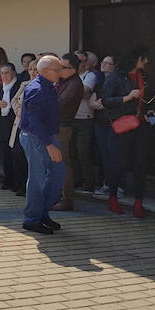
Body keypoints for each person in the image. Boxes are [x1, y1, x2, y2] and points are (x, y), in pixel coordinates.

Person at [102, 46, 154, 218]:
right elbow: (106, 100)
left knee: (141, 163)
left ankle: (139, 203)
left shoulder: (143, 76)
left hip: (141, 126)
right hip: (123, 126)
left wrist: (150, 111)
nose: (146, 61)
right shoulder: (116, 77)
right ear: (135, 59)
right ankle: (113, 198)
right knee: (118, 163)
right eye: (143, 58)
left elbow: (149, 98)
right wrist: (126, 97)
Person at [20, 56, 65, 235]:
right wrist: (49, 144)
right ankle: (31, 219)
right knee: (37, 178)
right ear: (45, 72)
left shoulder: (48, 86)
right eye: (57, 69)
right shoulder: (37, 89)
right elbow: (34, 121)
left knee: (57, 174)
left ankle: (41, 213)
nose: (60, 73)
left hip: (45, 136)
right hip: (36, 137)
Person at [50, 53, 83, 211]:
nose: (59, 70)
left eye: (63, 67)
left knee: (63, 164)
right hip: (55, 126)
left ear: (73, 69)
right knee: (55, 163)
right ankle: (56, 195)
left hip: (63, 127)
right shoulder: (63, 82)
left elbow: (59, 104)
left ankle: (67, 199)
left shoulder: (74, 84)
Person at [70, 51, 100, 196]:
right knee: (72, 152)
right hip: (70, 118)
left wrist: (71, 92)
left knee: (83, 152)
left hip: (85, 118)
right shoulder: (70, 76)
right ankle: (77, 179)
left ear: (86, 62)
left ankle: (89, 183)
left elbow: (86, 92)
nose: (78, 63)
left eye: (81, 60)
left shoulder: (90, 76)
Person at [9, 59, 39, 196]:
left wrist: (24, 111)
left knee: (31, 159)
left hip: (33, 127)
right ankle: (20, 184)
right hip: (19, 123)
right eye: (31, 70)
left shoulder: (43, 87)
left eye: (36, 70)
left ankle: (29, 188)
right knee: (18, 155)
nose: (33, 72)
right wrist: (21, 112)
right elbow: (14, 100)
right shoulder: (24, 84)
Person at [89, 55, 117, 197]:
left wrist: (104, 103)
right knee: (104, 154)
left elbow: (116, 103)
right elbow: (92, 103)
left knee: (115, 154)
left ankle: (117, 185)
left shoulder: (118, 82)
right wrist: (104, 103)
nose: (104, 65)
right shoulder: (99, 82)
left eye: (108, 63)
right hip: (100, 122)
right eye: (103, 62)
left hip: (115, 123)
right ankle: (107, 184)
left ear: (114, 66)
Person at [0, 63, 20, 190]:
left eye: (7, 73)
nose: (4, 76)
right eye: (2, 73)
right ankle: (7, 180)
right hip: (2, 124)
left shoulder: (19, 87)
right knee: (4, 154)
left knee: (16, 155)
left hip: (15, 123)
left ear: (13, 73)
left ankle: (17, 182)